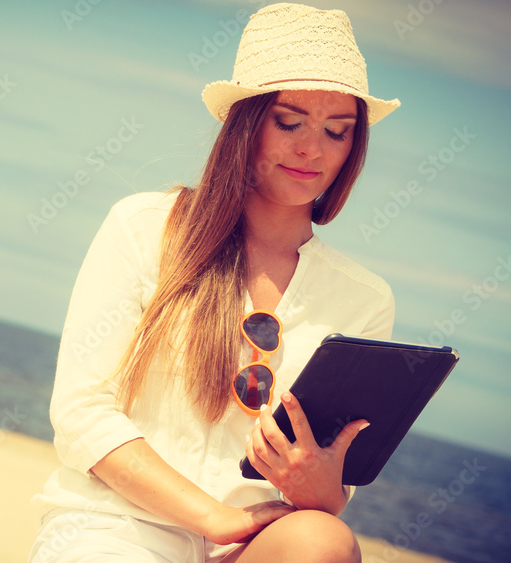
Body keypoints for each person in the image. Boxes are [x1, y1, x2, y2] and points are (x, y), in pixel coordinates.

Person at [29, 3, 401, 562]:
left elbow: (331, 490)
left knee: (325, 541)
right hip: (116, 526)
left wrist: (323, 487)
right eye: (289, 121)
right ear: (245, 123)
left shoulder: (365, 300)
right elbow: (81, 412)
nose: (312, 148)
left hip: (251, 548)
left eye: (338, 131)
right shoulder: (146, 226)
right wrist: (215, 518)